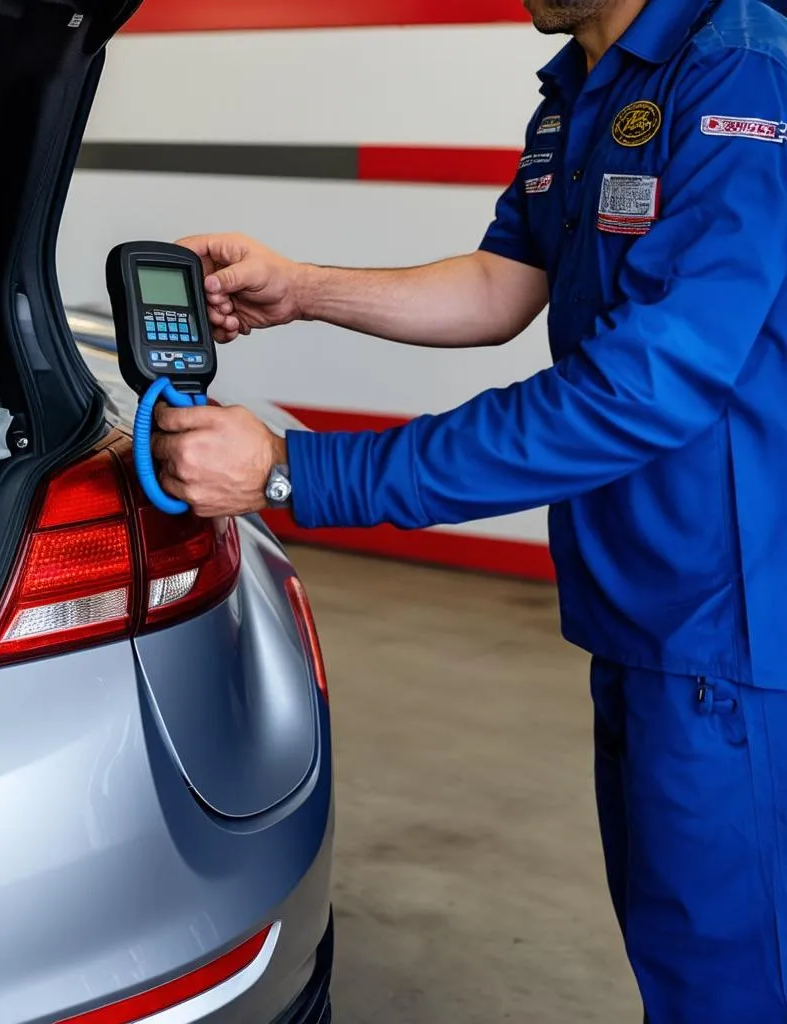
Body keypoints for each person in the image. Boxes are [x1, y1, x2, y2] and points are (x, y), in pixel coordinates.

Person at [150, 0, 787, 1019]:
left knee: (724, 976)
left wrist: (296, 472)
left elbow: (646, 383)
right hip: (638, 602)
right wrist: (302, 286)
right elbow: (501, 285)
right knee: (675, 946)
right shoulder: (577, 83)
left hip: (734, 624)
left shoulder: (736, 68)